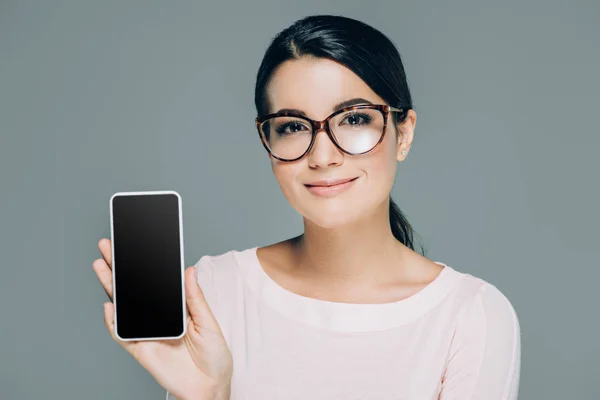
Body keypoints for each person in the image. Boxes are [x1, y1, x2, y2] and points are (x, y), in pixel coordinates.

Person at [93, 14, 521, 400]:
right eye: (293, 127)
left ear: (402, 132)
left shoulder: (471, 317)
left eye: (353, 119)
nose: (322, 156)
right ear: (267, 142)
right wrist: (207, 397)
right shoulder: (212, 293)